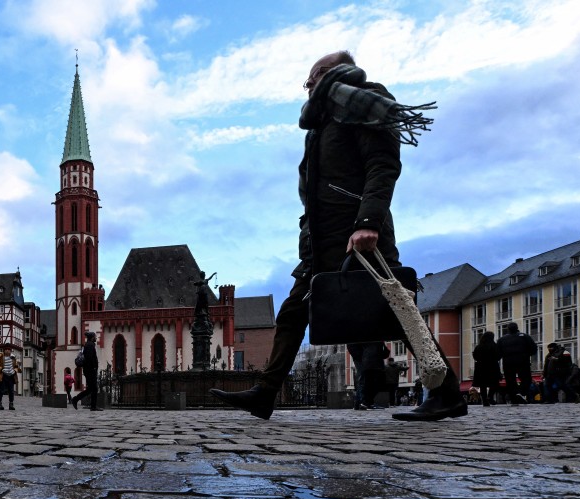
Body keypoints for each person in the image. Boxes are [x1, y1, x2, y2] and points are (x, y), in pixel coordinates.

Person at [210, 51, 461, 421]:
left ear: (331, 73)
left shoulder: (364, 102)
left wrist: (369, 222)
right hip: (322, 239)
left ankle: (447, 392)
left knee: (397, 309)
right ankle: (266, 392)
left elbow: (383, 165)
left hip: (358, 232)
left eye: (312, 78)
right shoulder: (322, 122)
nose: (308, 86)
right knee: (294, 311)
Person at [497, 322, 536, 404]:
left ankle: (514, 399)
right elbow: (533, 348)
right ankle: (521, 392)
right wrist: (527, 354)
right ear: (517, 328)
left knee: (510, 381)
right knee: (526, 379)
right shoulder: (524, 336)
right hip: (522, 361)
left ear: (508, 329)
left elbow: (498, 353)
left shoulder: (501, 339)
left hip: (508, 363)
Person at [348, 342, 387, 409]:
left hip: (368, 358)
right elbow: (351, 346)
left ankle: (360, 403)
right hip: (363, 358)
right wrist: (361, 356)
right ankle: (363, 403)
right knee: (363, 380)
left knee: (365, 380)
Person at [71, 331, 101, 411]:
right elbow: (89, 358)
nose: (96, 338)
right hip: (90, 370)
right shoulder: (90, 345)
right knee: (93, 388)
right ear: (92, 337)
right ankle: (92, 406)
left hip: (88, 370)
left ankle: (77, 400)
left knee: (91, 389)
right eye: (95, 336)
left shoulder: (87, 345)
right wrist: (94, 368)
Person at [472, 331, 502, 407]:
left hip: (481, 367)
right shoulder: (494, 346)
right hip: (492, 366)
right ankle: (490, 396)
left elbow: (475, 356)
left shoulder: (478, 347)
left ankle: (485, 400)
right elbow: (498, 356)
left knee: (483, 385)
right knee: (494, 383)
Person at [0, 343, 19, 411]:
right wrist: (1, 369)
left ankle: (11, 404)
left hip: (11, 376)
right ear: (4, 350)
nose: (7, 351)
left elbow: (16, 366)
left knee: (11, 391)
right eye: (6, 349)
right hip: (2, 375)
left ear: (10, 350)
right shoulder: (0, 356)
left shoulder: (13, 357)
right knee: (1, 390)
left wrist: (14, 371)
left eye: (9, 350)